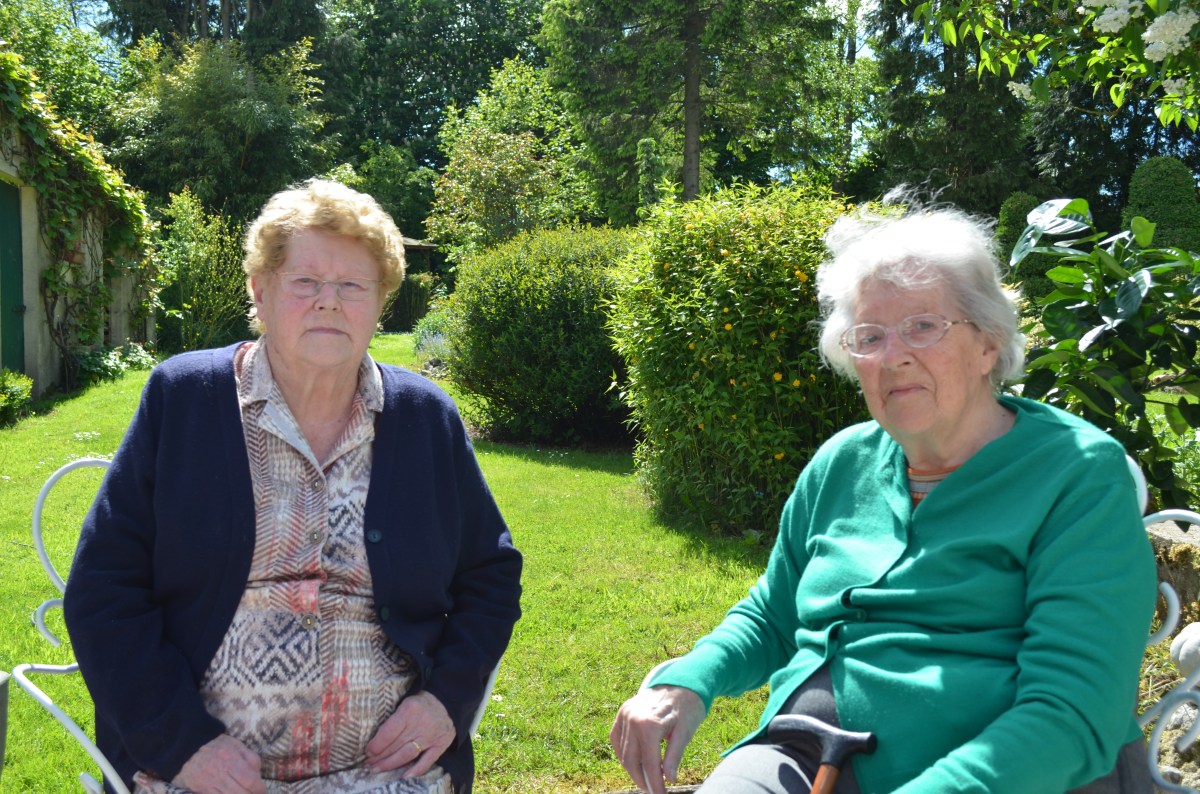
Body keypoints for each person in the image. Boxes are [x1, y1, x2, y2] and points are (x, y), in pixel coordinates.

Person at [610, 193, 1158, 794]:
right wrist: (688, 681)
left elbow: (1074, 713)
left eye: (923, 326)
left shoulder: (1077, 474)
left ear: (988, 343)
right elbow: (773, 611)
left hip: (1010, 770)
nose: (894, 357)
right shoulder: (842, 461)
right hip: (804, 748)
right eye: (869, 336)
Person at [63, 179, 522, 794]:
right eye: (306, 282)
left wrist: (446, 700)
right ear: (261, 291)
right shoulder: (186, 400)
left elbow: (490, 574)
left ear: (379, 303)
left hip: (386, 773)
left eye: (353, 286)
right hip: (206, 772)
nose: (329, 303)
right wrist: (182, 744)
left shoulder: (422, 418)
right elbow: (104, 591)